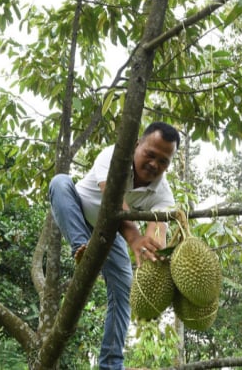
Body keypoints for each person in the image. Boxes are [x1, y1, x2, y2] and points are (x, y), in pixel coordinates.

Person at [48, 122, 180, 369]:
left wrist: (153, 254)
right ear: (137, 144)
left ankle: (111, 365)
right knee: (60, 182)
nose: (154, 164)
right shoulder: (113, 156)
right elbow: (114, 201)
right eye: (150, 154)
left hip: (112, 234)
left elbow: (157, 230)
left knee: (123, 293)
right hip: (78, 214)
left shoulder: (163, 193)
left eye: (163, 161)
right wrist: (134, 239)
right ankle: (81, 250)